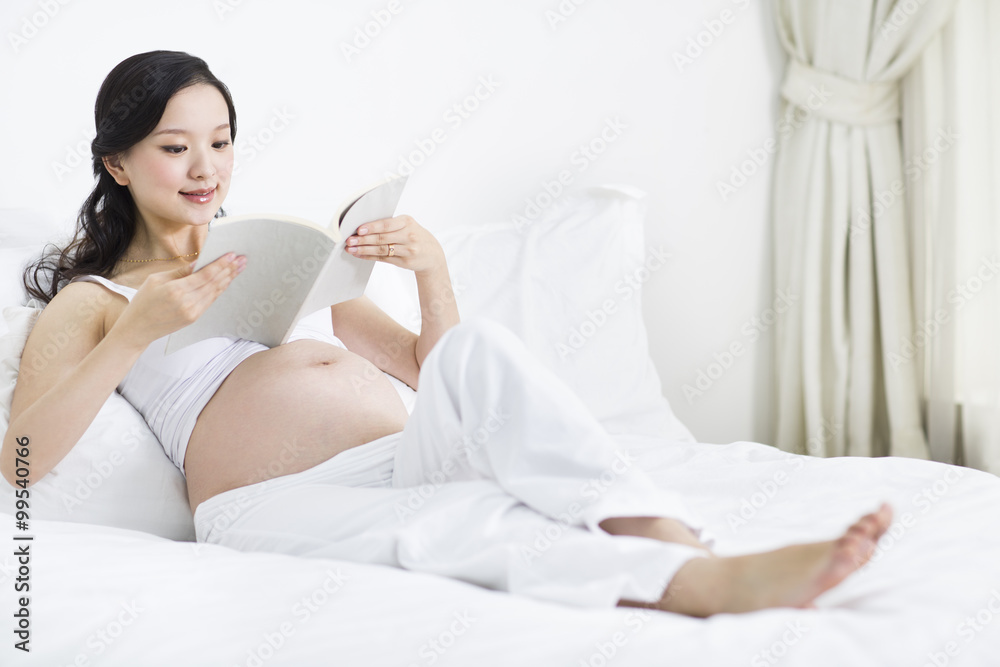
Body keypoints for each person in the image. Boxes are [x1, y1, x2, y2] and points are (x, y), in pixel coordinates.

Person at [1, 50, 892, 617]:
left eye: (221, 141)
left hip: (406, 452)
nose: (206, 168)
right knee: (476, 523)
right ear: (117, 161)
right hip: (274, 501)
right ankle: (703, 587)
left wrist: (431, 273)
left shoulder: (274, 249)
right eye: (173, 146)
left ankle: (674, 538)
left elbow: (437, 373)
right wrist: (132, 336)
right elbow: (22, 461)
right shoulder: (95, 299)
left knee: (478, 347)